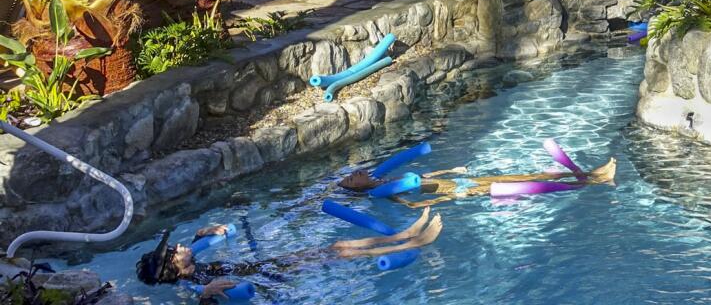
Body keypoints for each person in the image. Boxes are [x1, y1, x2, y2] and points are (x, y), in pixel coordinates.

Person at [134, 207, 442, 299]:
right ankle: (412, 243)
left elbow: (196, 253)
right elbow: (199, 293)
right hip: (270, 276)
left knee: (336, 248)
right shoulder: (191, 284)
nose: (178, 247)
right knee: (338, 254)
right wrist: (205, 295)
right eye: (173, 252)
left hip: (263, 266)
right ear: (172, 268)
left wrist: (203, 233)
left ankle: (404, 236)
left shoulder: (191, 267)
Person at [338, 158, 618, 208]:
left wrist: (452, 168)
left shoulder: (385, 178)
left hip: (459, 179)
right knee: (529, 184)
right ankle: (598, 181)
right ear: (358, 187)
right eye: (352, 180)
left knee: (525, 176)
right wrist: (442, 200)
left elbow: (425, 177)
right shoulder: (382, 192)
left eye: (351, 174)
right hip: (461, 190)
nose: (355, 174)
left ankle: (593, 173)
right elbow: (411, 202)